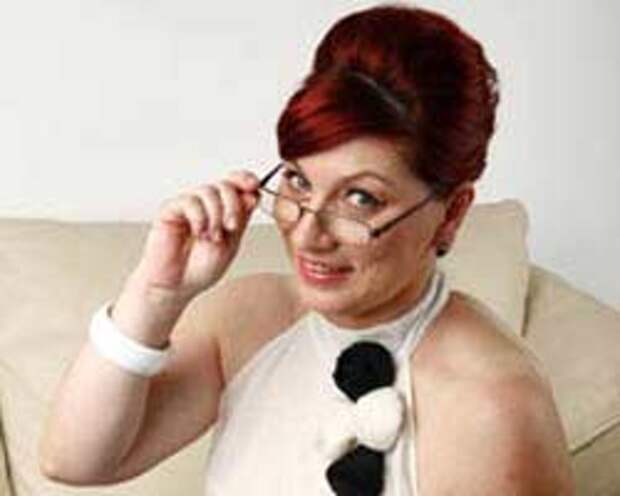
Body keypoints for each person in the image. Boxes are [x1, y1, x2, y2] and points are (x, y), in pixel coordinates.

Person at [39, 4, 575, 494]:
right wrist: (156, 294)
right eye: (297, 181)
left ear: (451, 213)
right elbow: (72, 461)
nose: (307, 235)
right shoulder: (249, 320)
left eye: (361, 198)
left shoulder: (493, 407)